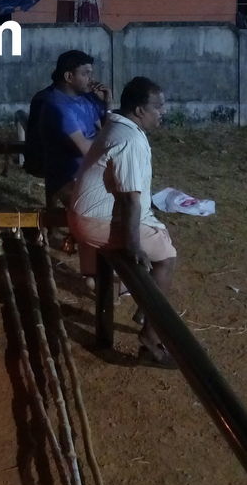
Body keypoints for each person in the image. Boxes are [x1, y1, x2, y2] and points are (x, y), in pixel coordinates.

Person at [67, 76, 178, 367]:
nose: (162, 112)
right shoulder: (128, 139)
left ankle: (146, 307)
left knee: (157, 239)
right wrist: (133, 245)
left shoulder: (117, 126)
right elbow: (130, 199)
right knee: (166, 256)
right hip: (94, 220)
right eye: (158, 107)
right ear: (140, 111)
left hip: (86, 215)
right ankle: (150, 336)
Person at [27, 50, 111, 209]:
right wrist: (111, 146)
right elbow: (86, 149)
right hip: (70, 176)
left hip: (91, 171)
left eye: (91, 74)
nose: (91, 79)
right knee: (112, 212)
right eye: (85, 74)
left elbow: (105, 131)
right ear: (68, 77)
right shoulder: (56, 105)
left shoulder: (87, 99)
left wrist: (107, 105)